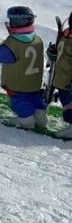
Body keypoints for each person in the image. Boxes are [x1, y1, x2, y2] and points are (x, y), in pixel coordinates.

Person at [0, 6, 47, 129]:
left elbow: (1, 55)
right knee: (35, 98)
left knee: (19, 101)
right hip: (35, 81)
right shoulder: (37, 38)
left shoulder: (13, 41)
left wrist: (7, 40)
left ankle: (25, 119)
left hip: (18, 82)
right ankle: (40, 117)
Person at [47, 11, 72, 139]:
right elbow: (60, 51)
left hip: (68, 80)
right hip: (62, 77)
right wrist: (52, 53)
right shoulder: (67, 34)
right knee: (66, 103)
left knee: (70, 105)